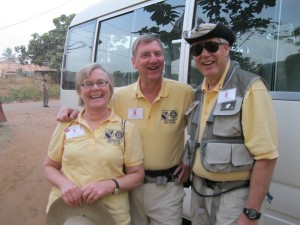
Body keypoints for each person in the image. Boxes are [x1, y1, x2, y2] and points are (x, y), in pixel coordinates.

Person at [56, 34, 195, 225]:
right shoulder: (120, 96)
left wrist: (189, 159)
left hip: (167, 188)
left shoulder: (185, 92)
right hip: (127, 189)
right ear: (134, 62)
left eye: (158, 53)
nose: (153, 59)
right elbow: (94, 110)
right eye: (145, 55)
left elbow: (201, 128)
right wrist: (71, 112)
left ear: (164, 59)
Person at [181, 22, 279, 225]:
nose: (204, 54)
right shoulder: (199, 92)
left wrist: (251, 213)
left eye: (212, 46)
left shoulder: (250, 88)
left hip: (233, 199)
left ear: (226, 49)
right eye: (197, 50)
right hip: (199, 194)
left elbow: (266, 157)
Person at [43, 63, 144, 225]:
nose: (95, 88)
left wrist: (110, 185)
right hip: (67, 213)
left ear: (110, 88)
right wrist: (64, 184)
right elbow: (49, 167)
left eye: (101, 82)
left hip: (110, 215)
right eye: (87, 84)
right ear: (79, 91)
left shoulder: (126, 129)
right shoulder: (66, 124)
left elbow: (137, 176)